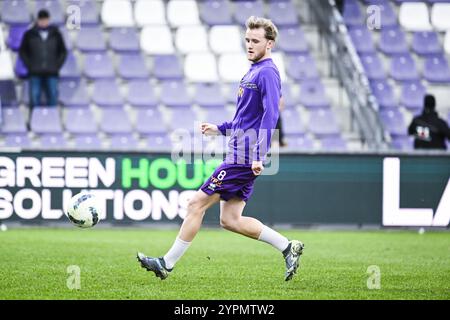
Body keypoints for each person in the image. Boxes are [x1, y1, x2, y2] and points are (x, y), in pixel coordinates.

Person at [137, 16, 304, 282]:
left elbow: (271, 114)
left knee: (195, 204)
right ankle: (287, 247)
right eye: (247, 40)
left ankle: (166, 264)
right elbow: (243, 118)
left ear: (269, 44)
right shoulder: (252, 71)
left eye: (255, 41)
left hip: (244, 157)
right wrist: (219, 128)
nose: (249, 45)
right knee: (231, 220)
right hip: (238, 152)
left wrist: (260, 155)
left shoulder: (268, 72)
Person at [19, 9, 67, 108]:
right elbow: (22, 52)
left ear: (49, 20)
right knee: (34, 97)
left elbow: (63, 51)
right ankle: (34, 121)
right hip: (34, 72)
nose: (43, 22)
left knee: (53, 96)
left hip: (52, 72)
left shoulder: (56, 34)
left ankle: (53, 121)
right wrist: (30, 65)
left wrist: (57, 66)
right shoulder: (29, 34)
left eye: (45, 20)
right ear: (38, 20)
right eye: (41, 20)